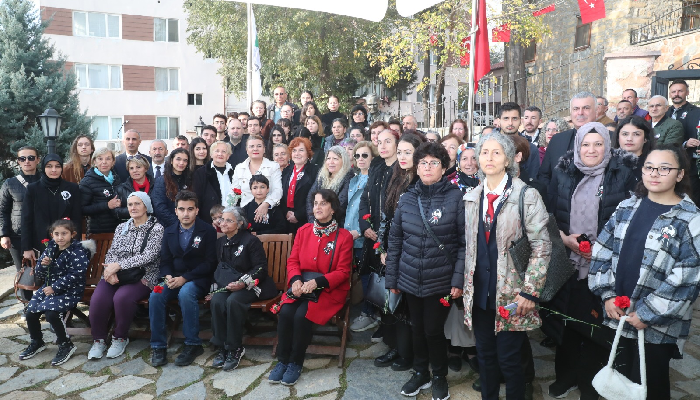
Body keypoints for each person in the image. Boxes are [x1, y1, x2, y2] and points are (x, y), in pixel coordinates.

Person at [589, 145, 700, 400]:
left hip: (656, 324)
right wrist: (606, 294)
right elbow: (602, 250)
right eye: (649, 167)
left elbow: (689, 277)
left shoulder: (690, 219)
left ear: (680, 175)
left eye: (665, 168)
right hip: (617, 312)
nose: (655, 174)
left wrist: (648, 314)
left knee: (651, 382)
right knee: (617, 378)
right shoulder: (627, 206)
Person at [548, 122, 637, 400]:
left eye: (598, 144)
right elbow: (547, 216)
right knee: (566, 324)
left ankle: (592, 383)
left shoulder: (623, 174)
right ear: (577, 146)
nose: (591, 149)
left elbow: (631, 223)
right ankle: (566, 375)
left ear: (607, 146)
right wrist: (564, 239)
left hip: (606, 267)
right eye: (585, 144)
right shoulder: (562, 173)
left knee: (597, 327)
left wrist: (601, 248)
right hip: (568, 263)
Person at [462, 132, 550, 400]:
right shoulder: (471, 197)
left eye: (496, 152)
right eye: (484, 152)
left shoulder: (527, 196)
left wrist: (529, 291)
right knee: (485, 358)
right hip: (480, 294)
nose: (489, 157)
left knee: (510, 361)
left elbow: (541, 247)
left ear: (508, 159)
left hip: (512, 294)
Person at [385, 141, 466, 400]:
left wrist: (458, 279)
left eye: (434, 162)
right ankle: (421, 372)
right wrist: (393, 277)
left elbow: (465, 244)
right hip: (409, 277)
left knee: (433, 329)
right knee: (416, 328)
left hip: (440, 279)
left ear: (444, 168)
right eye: (423, 163)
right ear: (416, 168)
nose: (427, 167)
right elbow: (395, 240)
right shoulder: (407, 197)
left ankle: (439, 375)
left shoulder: (456, 198)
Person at [268, 189, 353, 386]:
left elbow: (342, 272)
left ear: (333, 208)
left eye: (323, 203)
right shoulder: (303, 231)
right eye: (315, 203)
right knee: (287, 311)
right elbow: (293, 261)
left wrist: (316, 283)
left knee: (302, 315)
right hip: (300, 286)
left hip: (327, 289)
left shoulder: (344, 236)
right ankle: (282, 361)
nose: (318, 207)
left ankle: (296, 362)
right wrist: (296, 280)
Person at [88, 192, 164, 359]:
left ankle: (120, 337)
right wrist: (110, 271)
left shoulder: (156, 229)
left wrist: (119, 265)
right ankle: (99, 340)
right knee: (98, 298)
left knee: (121, 298)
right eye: (130, 204)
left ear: (146, 206)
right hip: (115, 274)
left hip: (142, 275)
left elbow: (149, 256)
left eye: (137, 204)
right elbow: (112, 252)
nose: (133, 207)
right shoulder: (121, 228)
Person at [149, 190, 217, 367]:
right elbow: (165, 261)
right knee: (155, 295)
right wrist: (168, 276)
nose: (186, 213)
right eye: (182, 209)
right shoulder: (169, 231)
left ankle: (193, 344)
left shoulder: (207, 231)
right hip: (173, 278)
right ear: (176, 211)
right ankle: (158, 345)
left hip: (197, 279)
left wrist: (185, 278)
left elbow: (210, 263)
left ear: (196, 210)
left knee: (186, 293)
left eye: (190, 209)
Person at [209, 206, 278, 370]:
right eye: (222, 219)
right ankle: (222, 347)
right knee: (217, 301)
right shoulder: (220, 242)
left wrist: (243, 283)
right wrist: (214, 289)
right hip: (229, 285)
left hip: (252, 286)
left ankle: (235, 348)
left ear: (239, 223)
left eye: (228, 220)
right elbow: (219, 268)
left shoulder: (250, 241)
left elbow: (261, 268)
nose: (223, 223)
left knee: (233, 301)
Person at [19, 219, 93, 366]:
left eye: (64, 234)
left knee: (52, 313)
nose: (60, 237)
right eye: (57, 234)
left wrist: (55, 287)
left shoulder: (78, 251)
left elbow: (76, 274)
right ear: (52, 235)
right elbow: (39, 274)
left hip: (69, 290)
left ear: (73, 234)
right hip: (48, 288)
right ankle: (37, 341)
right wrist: (42, 265)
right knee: (31, 311)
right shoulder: (51, 248)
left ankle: (66, 344)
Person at [358, 129, 398, 349]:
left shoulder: (401, 170)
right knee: (377, 279)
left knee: (391, 281)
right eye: (379, 142)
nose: (383, 146)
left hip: (392, 236)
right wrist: (365, 226)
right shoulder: (376, 167)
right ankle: (383, 321)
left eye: (388, 141)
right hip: (373, 235)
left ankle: (392, 328)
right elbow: (365, 200)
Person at [539, 91, 598, 210]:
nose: (580, 113)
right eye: (576, 108)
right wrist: (552, 197)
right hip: (559, 210)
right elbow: (544, 174)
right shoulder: (557, 139)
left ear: (596, 112)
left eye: (586, 108)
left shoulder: (610, 139)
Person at [21, 154, 82, 264]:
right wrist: (27, 247)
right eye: (49, 166)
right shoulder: (33, 189)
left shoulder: (72, 188)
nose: (54, 170)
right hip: (40, 243)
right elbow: (26, 219)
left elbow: (77, 218)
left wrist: (75, 244)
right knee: (43, 278)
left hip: (66, 244)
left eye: (57, 166)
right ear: (44, 168)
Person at [1, 147, 41, 303]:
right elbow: (2, 211)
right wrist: (4, 234)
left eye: (31, 158)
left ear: (37, 159)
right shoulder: (10, 183)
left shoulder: (46, 181)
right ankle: (27, 305)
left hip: (42, 233)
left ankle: (44, 304)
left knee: (45, 270)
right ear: (18, 162)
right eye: (22, 159)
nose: (27, 161)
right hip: (17, 235)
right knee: (23, 271)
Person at [347, 141, 379, 332]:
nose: (360, 159)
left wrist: (360, 231)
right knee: (358, 274)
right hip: (349, 235)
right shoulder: (353, 179)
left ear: (372, 158)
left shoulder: (375, 179)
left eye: (365, 155)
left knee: (368, 275)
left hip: (363, 235)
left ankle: (370, 313)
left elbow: (374, 210)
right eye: (357, 155)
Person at [232, 135, 283, 213]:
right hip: (246, 212)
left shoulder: (273, 166)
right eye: (251, 146)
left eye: (259, 146)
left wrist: (266, 204)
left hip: (269, 211)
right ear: (246, 150)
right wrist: (227, 210)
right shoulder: (239, 168)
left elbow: (277, 190)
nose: (255, 149)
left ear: (264, 149)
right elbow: (235, 193)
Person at [306, 146, 354, 224]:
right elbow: (310, 198)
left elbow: (340, 205)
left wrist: (324, 222)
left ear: (344, 161)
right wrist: (313, 221)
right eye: (328, 158)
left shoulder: (348, 178)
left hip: (336, 224)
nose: (331, 162)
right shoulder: (321, 176)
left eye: (335, 159)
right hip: (316, 223)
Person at [80, 148, 123, 234]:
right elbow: (81, 209)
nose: (104, 162)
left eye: (108, 159)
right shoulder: (87, 182)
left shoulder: (117, 178)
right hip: (98, 232)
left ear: (113, 162)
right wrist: (107, 205)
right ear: (94, 161)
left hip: (117, 230)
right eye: (100, 159)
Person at [282, 137, 319, 234]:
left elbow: (314, 197)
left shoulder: (315, 172)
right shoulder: (286, 171)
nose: (297, 154)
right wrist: (286, 212)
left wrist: (298, 215)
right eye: (294, 151)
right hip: (286, 220)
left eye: (301, 150)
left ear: (308, 153)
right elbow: (282, 195)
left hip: (305, 219)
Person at [192, 141, 235, 224]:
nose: (220, 154)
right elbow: (197, 199)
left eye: (224, 151)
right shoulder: (201, 173)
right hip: (209, 220)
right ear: (211, 154)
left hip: (231, 220)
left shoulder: (234, 172)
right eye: (217, 151)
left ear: (228, 156)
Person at [498, 102, 540, 179]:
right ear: (499, 121)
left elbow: (533, 181)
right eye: (506, 118)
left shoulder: (531, 149)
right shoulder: (488, 145)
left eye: (514, 118)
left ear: (520, 121)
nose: (510, 123)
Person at [152, 149, 191, 228]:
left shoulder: (190, 180)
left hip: (188, 225)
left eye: (185, 160)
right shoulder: (162, 181)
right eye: (178, 159)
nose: (181, 163)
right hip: (168, 226)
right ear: (171, 161)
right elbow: (159, 207)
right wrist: (177, 223)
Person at [114, 155, 154, 221]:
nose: (135, 170)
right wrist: (136, 209)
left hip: (153, 224)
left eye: (138, 167)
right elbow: (116, 212)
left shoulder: (157, 185)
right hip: (130, 226)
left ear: (146, 168)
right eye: (131, 168)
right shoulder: (121, 189)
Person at [616, 115, 655, 182]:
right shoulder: (609, 161)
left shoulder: (653, 163)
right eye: (625, 134)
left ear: (645, 138)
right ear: (618, 137)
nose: (629, 139)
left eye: (636, 134)